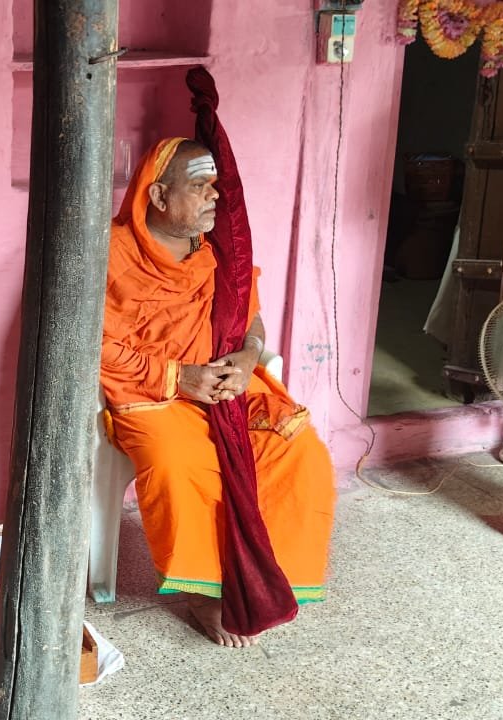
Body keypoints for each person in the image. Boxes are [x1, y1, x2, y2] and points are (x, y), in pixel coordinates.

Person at [102, 137, 336, 648]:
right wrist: (178, 377)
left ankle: (263, 575)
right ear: (159, 196)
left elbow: (250, 318)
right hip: (152, 393)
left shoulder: (217, 251)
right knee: (179, 461)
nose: (214, 196)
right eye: (199, 187)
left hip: (227, 385)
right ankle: (202, 593)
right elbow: (91, 347)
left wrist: (249, 356)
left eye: (215, 186)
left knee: (300, 451)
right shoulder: (112, 255)